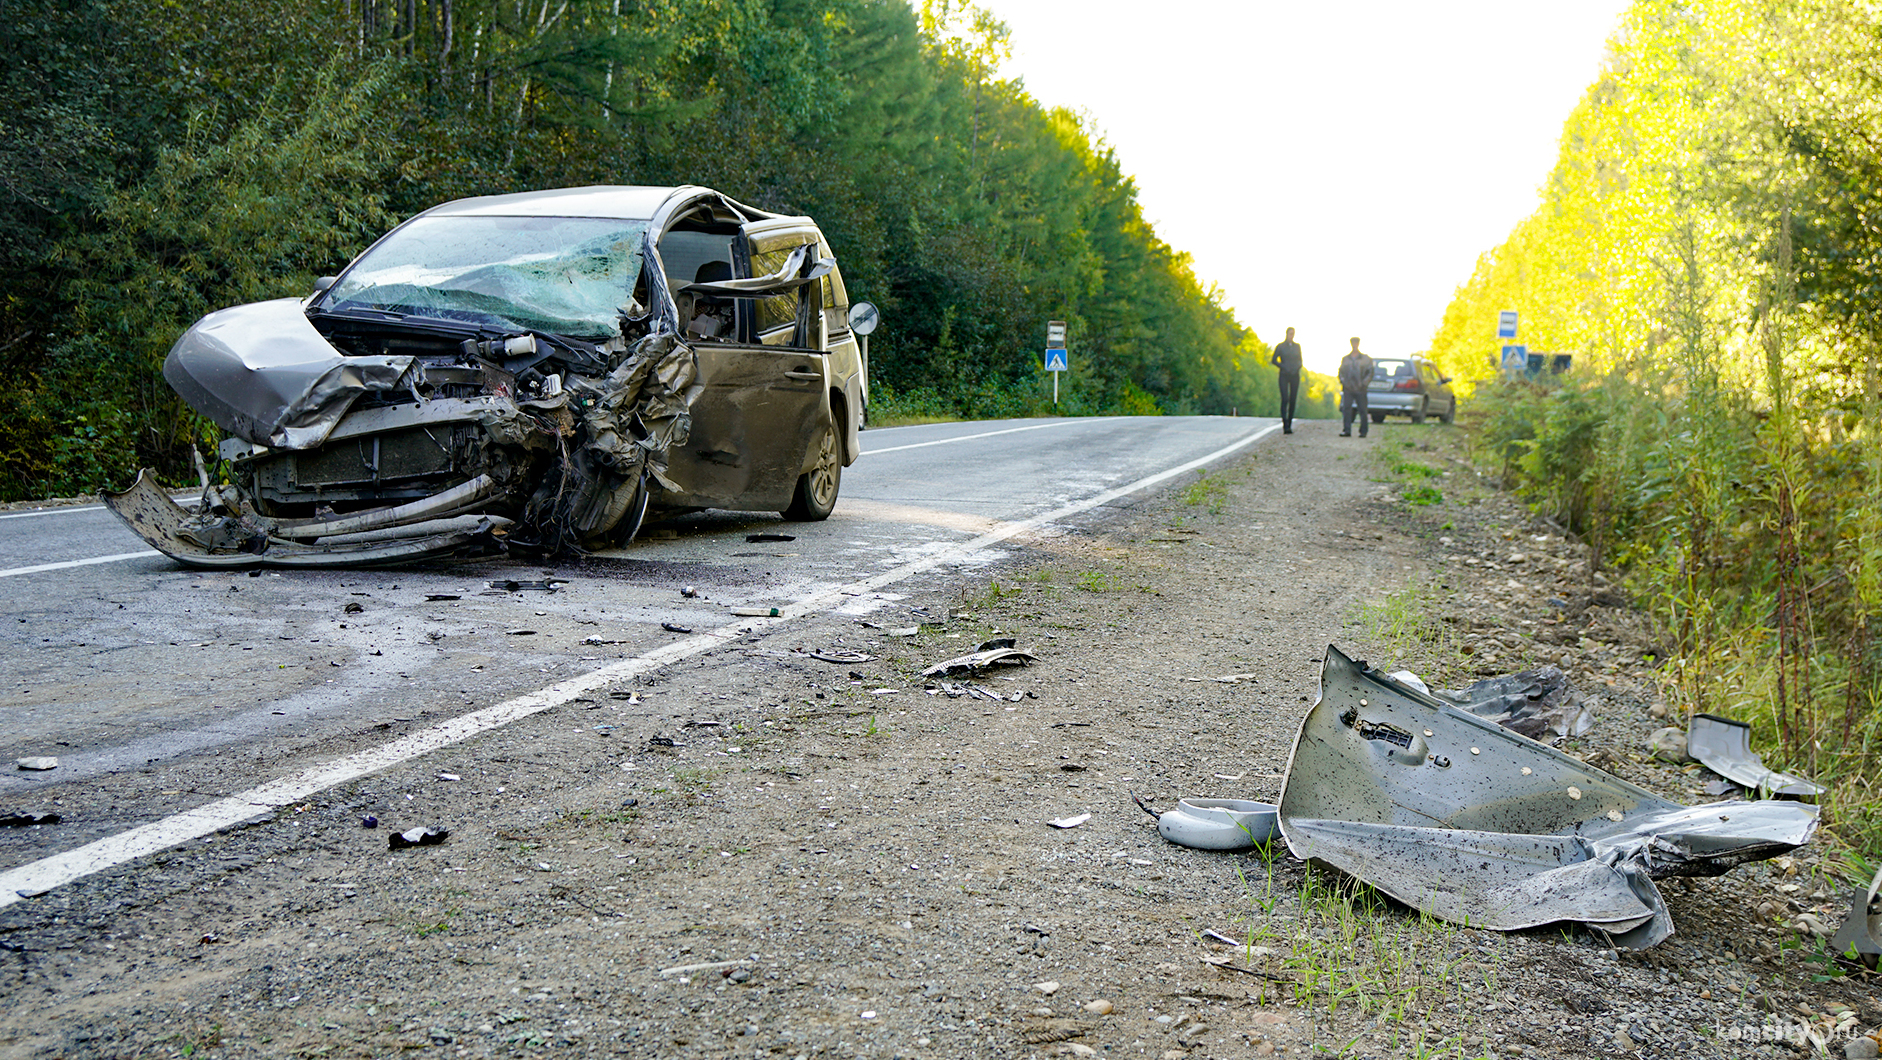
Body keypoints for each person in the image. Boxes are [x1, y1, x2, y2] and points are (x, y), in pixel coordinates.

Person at [1337, 337, 1374, 438]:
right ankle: (1347, 430)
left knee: (1363, 410)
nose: (1354, 344)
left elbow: (1370, 372)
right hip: (1348, 388)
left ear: (1358, 344)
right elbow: (1341, 372)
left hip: (1360, 388)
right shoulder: (1346, 359)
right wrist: (1344, 382)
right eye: (1353, 343)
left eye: (1356, 343)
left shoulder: (1365, 359)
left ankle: (1363, 431)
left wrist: (1364, 383)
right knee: (1346, 409)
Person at [1269, 327, 1302, 434]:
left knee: (1293, 399)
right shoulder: (1281, 347)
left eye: (1293, 334)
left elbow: (1300, 361)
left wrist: (1295, 368)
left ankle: (1290, 424)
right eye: (1290, 334)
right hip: (1284, 374)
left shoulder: (1297, 347)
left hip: (1294, 375)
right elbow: (1274, 360)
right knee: (1285, 398)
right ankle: (1285, 424)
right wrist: (1283, 366)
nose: (1291, 336)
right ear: (1286, 334)